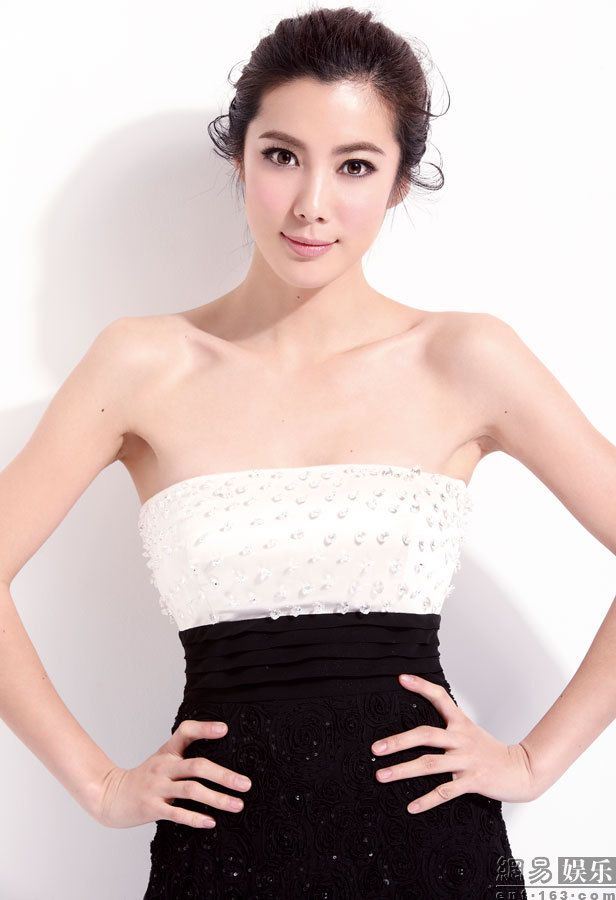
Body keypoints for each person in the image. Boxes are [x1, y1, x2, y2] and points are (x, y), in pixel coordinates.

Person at [1, 5, 615, 899]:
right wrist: (99, 786)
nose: (310, 204)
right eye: (282, 155)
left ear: (399, 182)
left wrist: (532, 761)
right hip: (222, 849)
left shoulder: (465, 358)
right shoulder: (141, 365)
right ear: (241, 158)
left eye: (355, 165)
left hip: (431, 846)